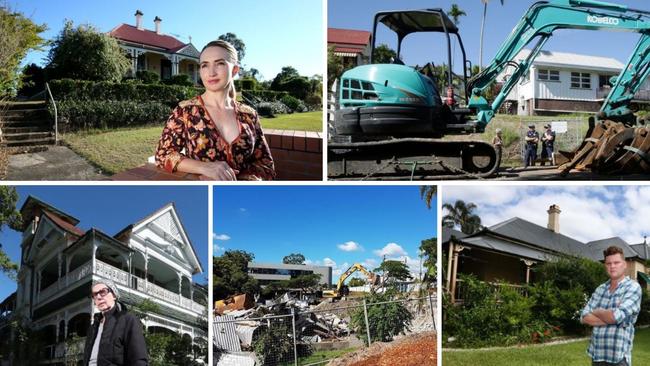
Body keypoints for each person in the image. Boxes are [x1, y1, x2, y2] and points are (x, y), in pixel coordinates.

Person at [155, 40, 275, 180]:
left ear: (234, 70)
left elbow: (266, 165)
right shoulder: (185, 111)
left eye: (220, 63)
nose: (211, 72)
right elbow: (163, 155)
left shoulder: (249, 115)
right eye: (205, 65)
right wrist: (203, 167)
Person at [580, 246, 642, 366]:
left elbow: (615, 316)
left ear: (624, 265)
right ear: (605, 266)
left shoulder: (633, 287)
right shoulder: (600, 289)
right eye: (608, 263)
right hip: (597, 356)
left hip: (618, 358)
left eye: (616, 262)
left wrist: (596, 311)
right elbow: (584, 317)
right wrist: (612, 316)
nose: (612, 266)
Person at [83, 280, 148, 366]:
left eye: (103, 292)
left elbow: (139, 359)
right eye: (94, 295)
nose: (98, 297)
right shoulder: (93, 327)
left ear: (114, 295)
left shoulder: (128, 320)